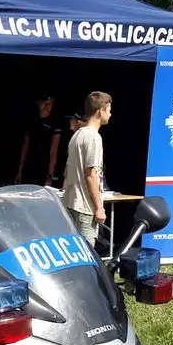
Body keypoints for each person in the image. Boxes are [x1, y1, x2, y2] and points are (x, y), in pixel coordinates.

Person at [62, 92, 112, 245]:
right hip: (84, 206)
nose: (110, 114)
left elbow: (67, 172)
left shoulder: (77, 135)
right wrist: (99, 207)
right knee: (86, 253)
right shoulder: (93, 137)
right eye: (109, 109)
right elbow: (90, 175)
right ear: (100, 111)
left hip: (71, 202)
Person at [14, 94, 63, 187]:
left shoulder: (55, 123)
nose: (47, 106)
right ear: (38, 102)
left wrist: (50, 175)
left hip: (44, 169)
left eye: (50, 103)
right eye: (44, 102)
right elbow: (25, 146)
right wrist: (19, 171)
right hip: (29, 167)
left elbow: (54, 151)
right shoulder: (32, 120)